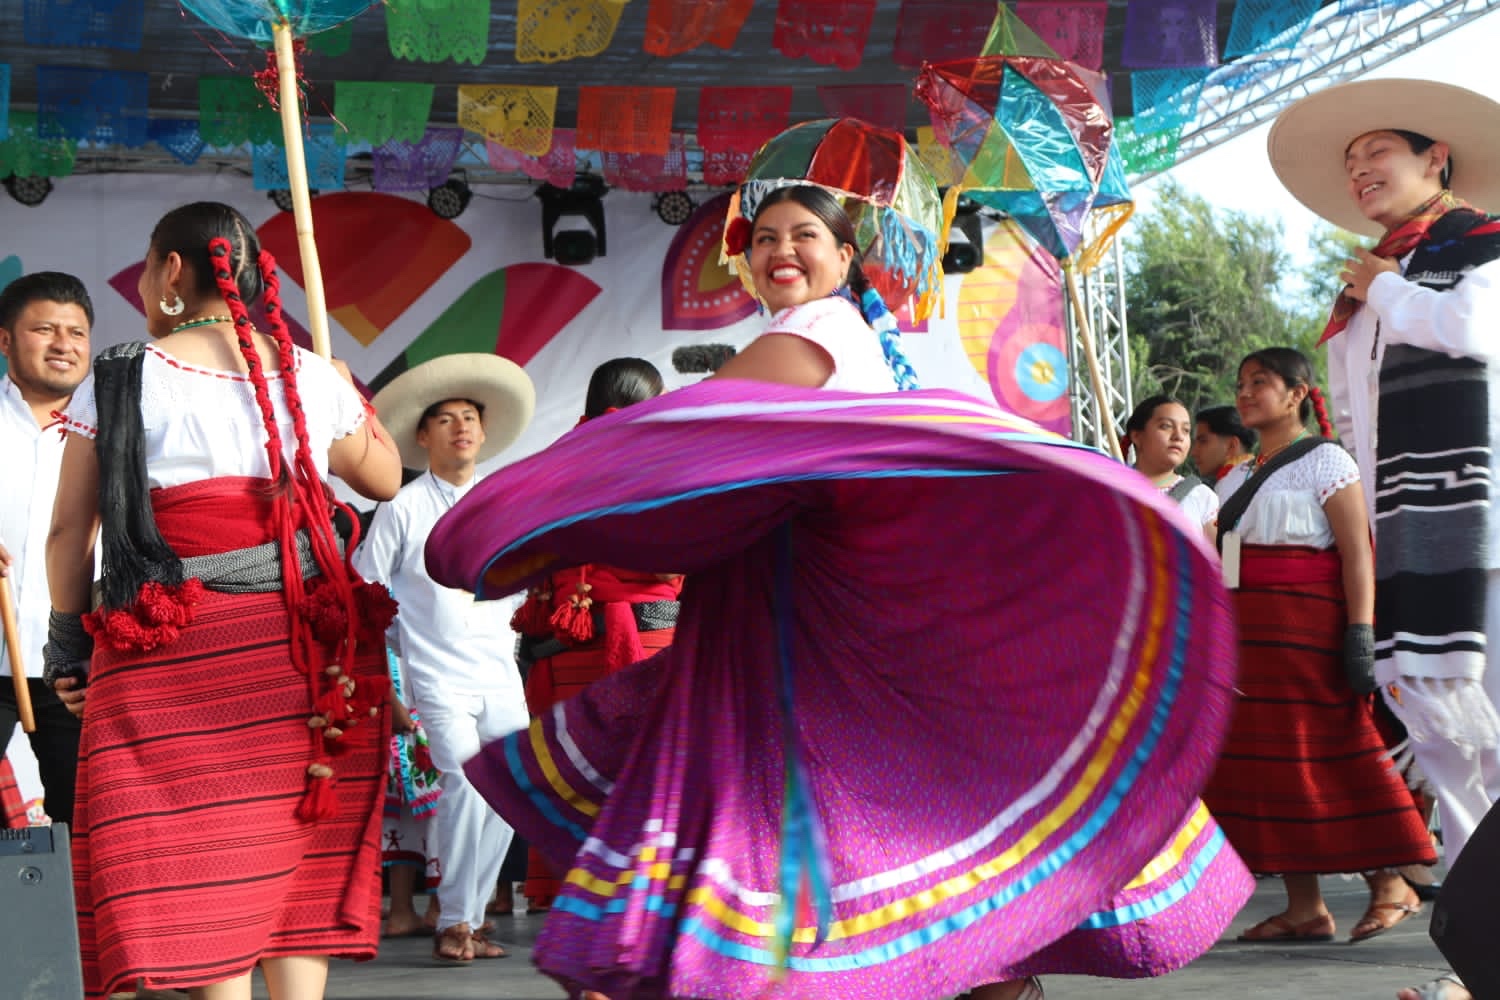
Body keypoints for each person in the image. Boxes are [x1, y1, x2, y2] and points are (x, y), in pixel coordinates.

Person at [429, 178, 1241, 1000]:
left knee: (797, 797)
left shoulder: (815, 330)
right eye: (765, 239)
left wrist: (541, 498)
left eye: (803, 236)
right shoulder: (840, 338)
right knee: (875, 791)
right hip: (787, 611)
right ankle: (983, 973)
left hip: (800, 618)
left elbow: (693, 435)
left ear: (845, 257)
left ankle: (823, 969)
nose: (781, 250)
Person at [44, 201, 404, 1000]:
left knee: (205, 856)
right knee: (291, 849)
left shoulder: (122, 372)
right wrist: (348, 389)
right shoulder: (307, 374)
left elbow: (71, 532)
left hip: (180, 652)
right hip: (301, 647)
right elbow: (382, 477)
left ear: (173, 271)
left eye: (145, 265)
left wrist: (66, 647)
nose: (142, 283)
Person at [1268, 80, 1500, 1000]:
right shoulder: (1370, 282)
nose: (1362, 173)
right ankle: (1484, 957)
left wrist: (1389, 286)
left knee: (1489, 731)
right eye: (1352, 165)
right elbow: (1360, 429)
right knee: (1445, 747)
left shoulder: (1480, 247)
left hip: (1482, 531)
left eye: (1380, 157)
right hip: (1407, 535)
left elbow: (1469, 332)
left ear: (1435, 158)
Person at [1202, 348, 1433, 944]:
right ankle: (1306, 908)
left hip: (1311, 637)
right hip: (1250, 645)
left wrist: (1360, 632)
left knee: (1335, 752)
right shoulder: (1236, 474)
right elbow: (1226, 566)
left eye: (1260, 383)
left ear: (1298, 393)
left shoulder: (1327, 461)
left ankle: (1392, 885)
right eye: (1241, 383)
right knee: (1272, 769)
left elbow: (1357, 551)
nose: (1245, 393)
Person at [352, 352, 536, 965]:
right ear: (423, 435)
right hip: (435, 676)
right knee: (463, 783)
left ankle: (469, 919)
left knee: (513, 791)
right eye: (446, 419)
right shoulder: (402, 509)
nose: (460, 427)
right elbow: (363, 597)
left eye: (469, 418)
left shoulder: (507, 501)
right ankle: (453, 919)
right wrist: (387, 683)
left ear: (483, 433)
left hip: (499, 672)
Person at [511, 356, 682, 913]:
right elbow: (669, 565)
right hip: (647, 648)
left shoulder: (552, 465)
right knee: (647, 791)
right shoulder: (662, 464)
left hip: (564, 655)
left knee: (576, 784)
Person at [0, 271, 91, 829]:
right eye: (45, 329)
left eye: (77, 333)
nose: (63, 344)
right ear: (5, 339)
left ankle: (76, 921)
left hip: (77, 665)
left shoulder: (114, 435)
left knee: (82, 817)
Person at [1122, 394, 1219, 528]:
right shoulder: (1111, 491)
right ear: (1137, 436)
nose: (1178, 436)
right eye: (1166, 426)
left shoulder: (1202, 497)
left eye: (1186, 430)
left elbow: (1216, 549)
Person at [1192, 404, 1256, 486]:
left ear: (1231, 446)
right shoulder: (1255, 475)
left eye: (1203, 441)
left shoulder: (1232, 484)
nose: (1193, 453)